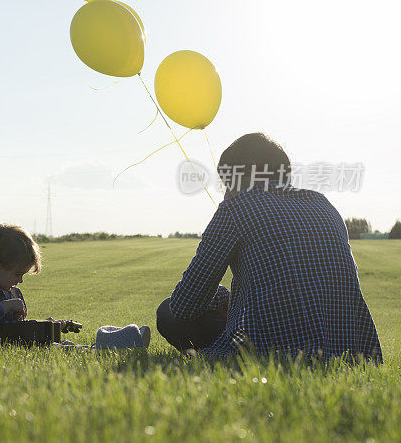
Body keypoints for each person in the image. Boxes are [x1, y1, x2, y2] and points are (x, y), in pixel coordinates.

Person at [156, 132, 382, 362]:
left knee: (167, 312)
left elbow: (185, 305)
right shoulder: (324, 204)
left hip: (269, 349)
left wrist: (225, 299)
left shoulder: (234, 209)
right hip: (349, 350)